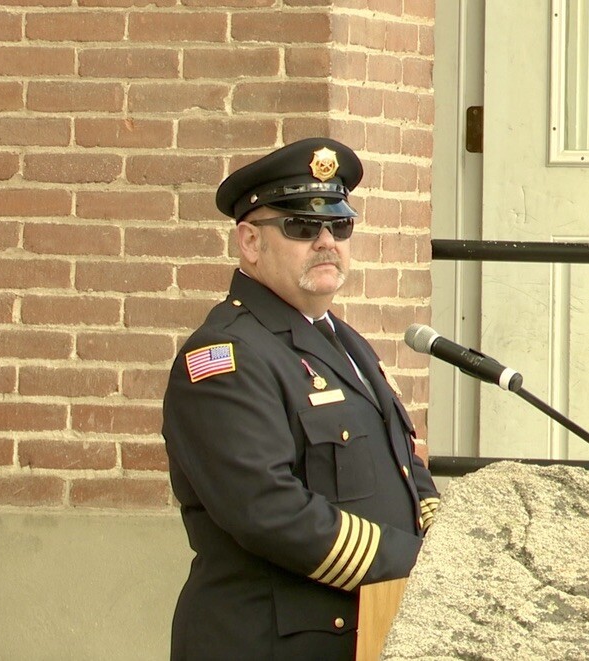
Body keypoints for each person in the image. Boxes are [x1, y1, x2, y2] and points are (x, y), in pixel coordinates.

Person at [162, 138, 441, 659]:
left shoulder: (344, 341)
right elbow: (267, 509)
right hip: (268, 642)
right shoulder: (225, 357)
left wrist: (446, 541)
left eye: (340, 226)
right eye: (300, 227)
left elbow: (406, 468)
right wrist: (421, 561)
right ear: (250, 242)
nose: (325, 241)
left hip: (362, 629)